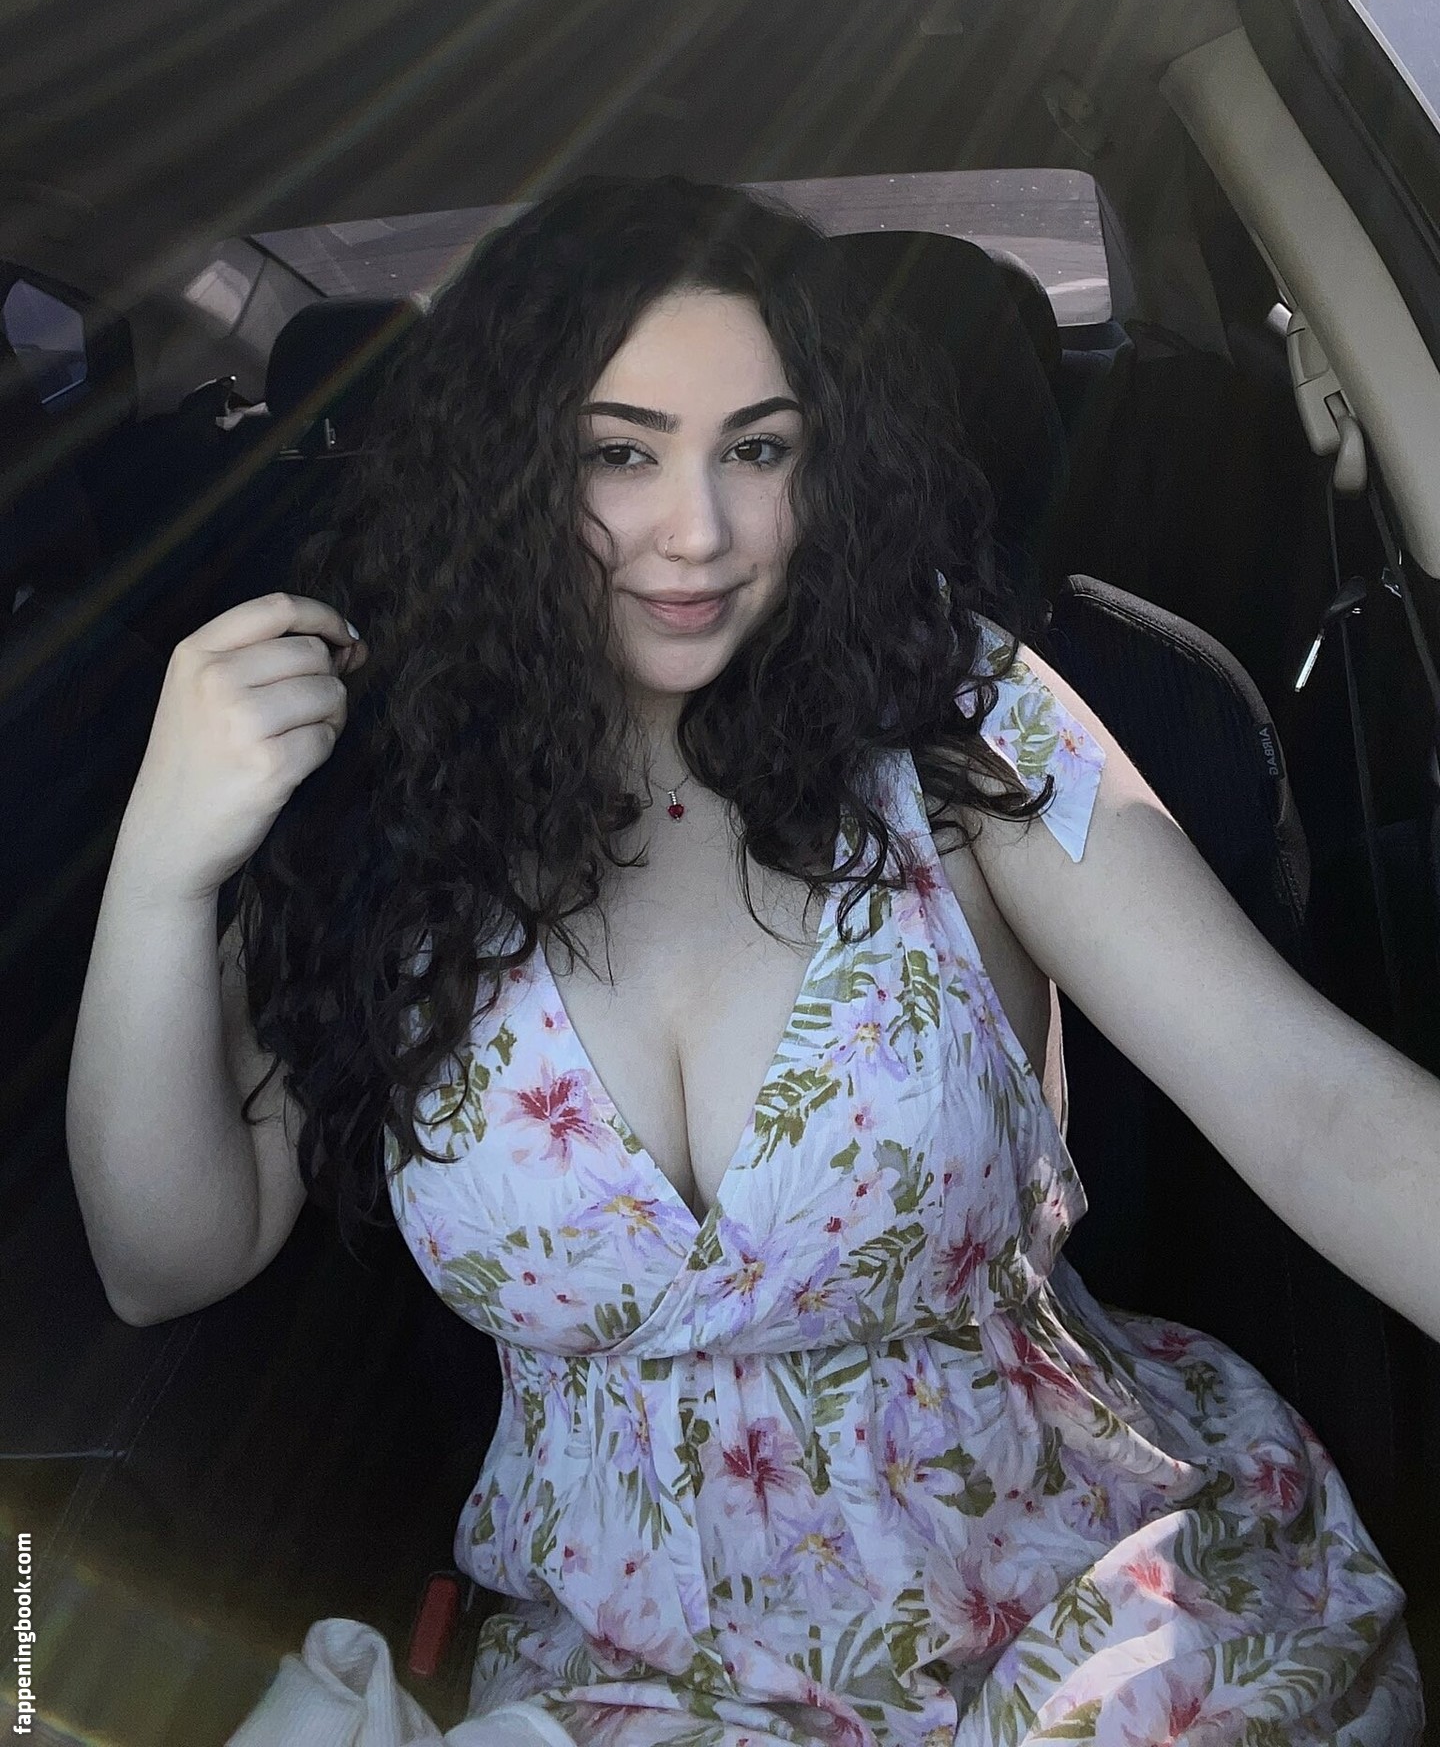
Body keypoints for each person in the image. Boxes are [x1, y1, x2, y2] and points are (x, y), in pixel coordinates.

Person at [66, 175, 1435, 1746]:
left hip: (1078, 1609)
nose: (698, 532)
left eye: (759, 450)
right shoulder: (388, 803)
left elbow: (1313, 1109)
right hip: (637, 1681)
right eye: (621, 452)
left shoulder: (959, 722)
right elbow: (164, 1260)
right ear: (507, 468)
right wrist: (164, 861)